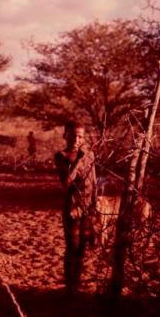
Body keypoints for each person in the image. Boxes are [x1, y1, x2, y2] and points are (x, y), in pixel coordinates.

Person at [54, 120, 97, 294]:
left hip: (87, 206)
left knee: (83, 247)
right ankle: (69, 286)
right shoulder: (61, 156)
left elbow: (93, 180)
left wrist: (94, 205)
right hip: (72, 206)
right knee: (72, 245)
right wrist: (79, 159)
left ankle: (76, 284)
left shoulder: (90, 154)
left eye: (80, 136)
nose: (76, 139)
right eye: (73, 135)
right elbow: (66, 183)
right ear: (65, 135)